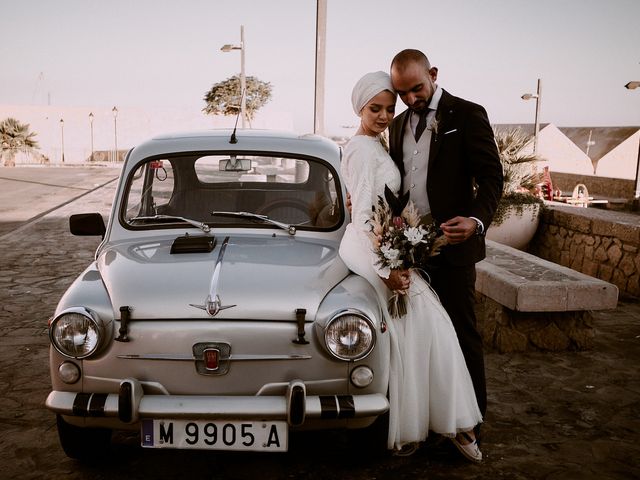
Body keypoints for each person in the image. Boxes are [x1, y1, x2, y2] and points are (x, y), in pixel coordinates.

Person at [339, 70, 483, 462]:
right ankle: (441, 424)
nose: (385, 115)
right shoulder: (362, 148)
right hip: (370, 248)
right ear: (360, 108)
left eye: (389, 108)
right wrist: (385, 267)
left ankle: (441, 423)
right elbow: (366, 212)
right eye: (375, 109)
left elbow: (377, 200)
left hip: (384, 244)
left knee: (419, 330)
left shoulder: (375, 143)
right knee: (423, 326)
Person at [388, 50, 504, 425]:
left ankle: (470, 425)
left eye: (416, 89)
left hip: (454, 250)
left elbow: (491, 178)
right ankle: (430, 420)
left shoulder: (468, 114)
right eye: (402, 93)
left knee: (461, 335)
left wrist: (476, 220)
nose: (410, 99)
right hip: (409, 252)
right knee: (421, 340)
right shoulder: (397, 124)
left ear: (433, 73)